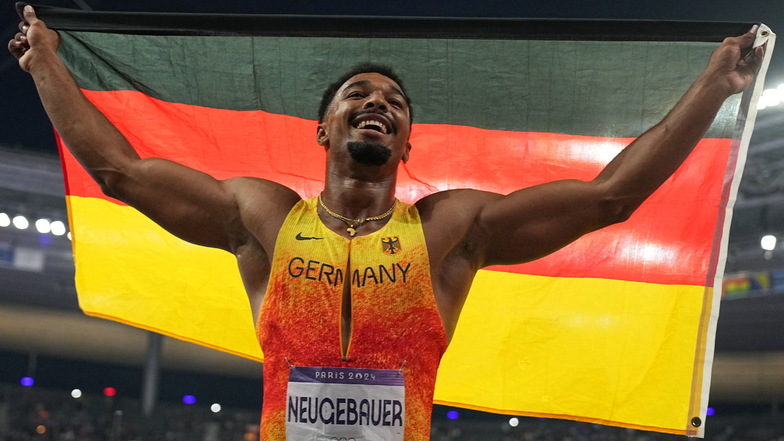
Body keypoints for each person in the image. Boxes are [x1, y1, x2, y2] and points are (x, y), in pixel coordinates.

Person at [9, 5, 764, 441]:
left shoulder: (448, 230)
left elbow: (610, 198)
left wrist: (712, 86)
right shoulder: (264, 217)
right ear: (324, 129)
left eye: (395, 103)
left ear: (407, 143)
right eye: (358, 95)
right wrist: (46, 61)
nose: (378, 102)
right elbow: (122, 173)